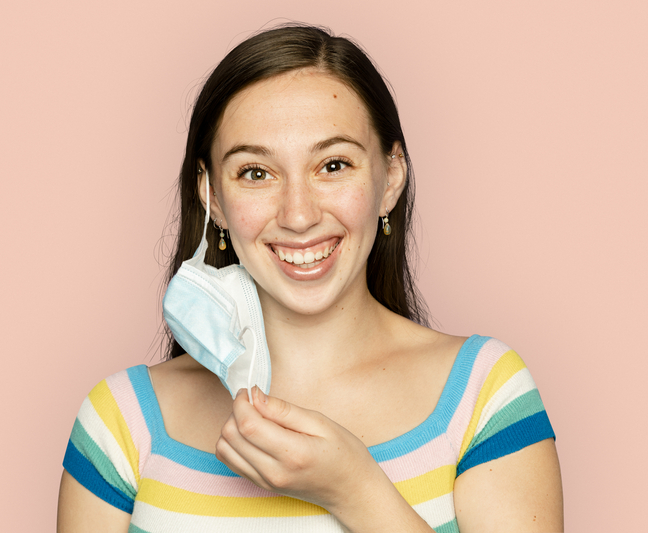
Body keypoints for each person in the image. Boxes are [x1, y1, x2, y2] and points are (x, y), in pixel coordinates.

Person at [56, 24, 563, 533]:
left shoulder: (485, 394)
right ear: (212, 197)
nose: (298, 215)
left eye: (333, 165)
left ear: (390, 179)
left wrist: (355, 490)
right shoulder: (120, 422)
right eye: (256, 173)